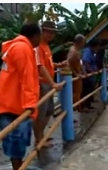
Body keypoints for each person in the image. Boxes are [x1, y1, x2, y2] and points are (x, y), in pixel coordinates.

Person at [0, 22, 42, 170]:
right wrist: (30, 106)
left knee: (16, 144)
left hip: (8, 102)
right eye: (40, 35)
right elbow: (27, 79)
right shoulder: (22, 49)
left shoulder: (17, 47)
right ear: (35, 36)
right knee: (16, 144)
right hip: (14, 105)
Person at [33, 21, 65, 149]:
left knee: (49, 111)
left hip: (48, 84)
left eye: (53, 33)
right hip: (42, 84)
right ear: (42, 31)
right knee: (41, 113)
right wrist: (53, 83)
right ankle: (38, 139)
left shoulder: (46, 46)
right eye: (49, 32)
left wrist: (58, 65)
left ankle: (41, 135)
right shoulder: (38, 46)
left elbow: (48, 64)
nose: (52, 35)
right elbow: (40, 67)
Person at [67, 34, 86, 112]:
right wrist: (76, 74)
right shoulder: (73, 52)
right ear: (81, 42)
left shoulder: (76, 50)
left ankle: (77, 107)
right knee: (76, 93)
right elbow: (68, 64)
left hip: (77, 73)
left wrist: (84, 72)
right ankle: (76, 108)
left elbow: (79, 63)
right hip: (74, 76)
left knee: (77, 92)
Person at [81, 40, 99, 110]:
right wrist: (90, 70)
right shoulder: (88, 51)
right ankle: (85, 106)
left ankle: (88, 105)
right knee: (86, 91)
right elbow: (85, 61)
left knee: (90, 91)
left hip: (90, 76)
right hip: (86, 76)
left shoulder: (91, 52)